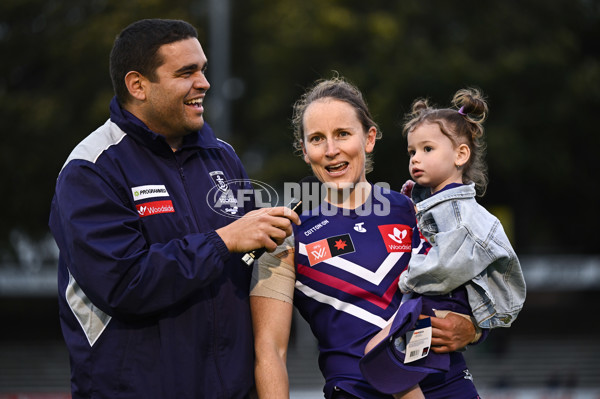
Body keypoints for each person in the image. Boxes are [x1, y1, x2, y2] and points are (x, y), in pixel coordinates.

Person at [48, 19, 299, 399]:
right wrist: (223, 241)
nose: (204, 83)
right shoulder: (91, 168)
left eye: (203, 69)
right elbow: (123, 283)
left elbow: (249, 272)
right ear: (138, 86)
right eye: (186, 72)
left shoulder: (223, 157)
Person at [250, 76, 481, 399]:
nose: (331, 150)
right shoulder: (286, 239)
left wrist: (473, 329)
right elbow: (270, 351)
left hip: (446, 386)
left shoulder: (421, 212)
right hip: (357, 391)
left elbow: (479, 288)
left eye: (343, 134)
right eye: (317, 139)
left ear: (369, 138)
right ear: (304, 151)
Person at [361, 88, 526, 398]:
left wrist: (407, 281)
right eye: (412, 152)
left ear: (460, 155)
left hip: (439, 302)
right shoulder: (428, 200)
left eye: (427, 149)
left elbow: (448, 265)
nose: (416, 159)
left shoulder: (460, 212)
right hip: (428, 306)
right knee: (396, 364)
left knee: (384, 356)